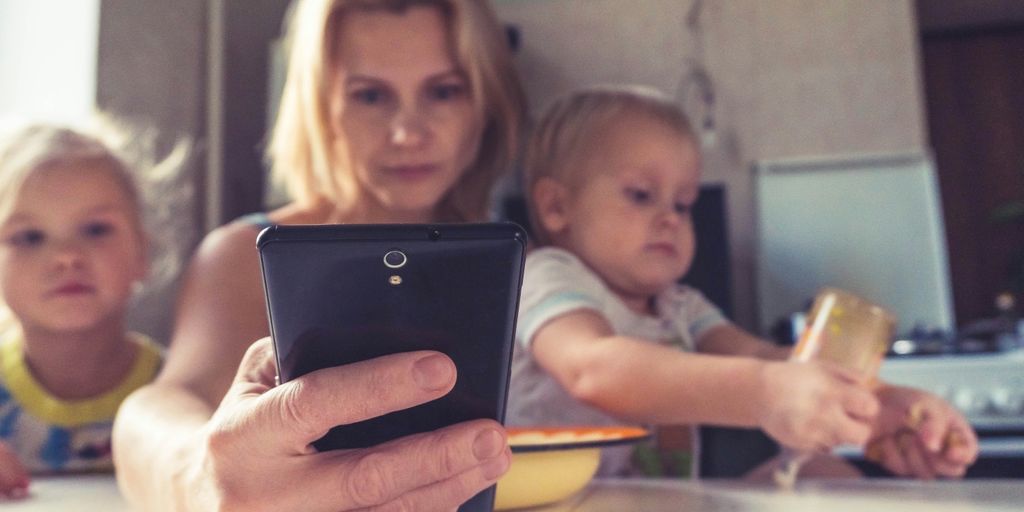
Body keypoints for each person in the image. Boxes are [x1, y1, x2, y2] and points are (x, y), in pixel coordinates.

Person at [111, 0, 526, 510]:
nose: (408, 133)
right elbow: (159, 406)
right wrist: (196, 475)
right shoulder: (246, 255)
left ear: (485, 101)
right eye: (370, 95)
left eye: (444, 91)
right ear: (320, 105)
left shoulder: (533, 262)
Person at [506, 85, 979, 480]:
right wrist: (765, 393)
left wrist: (876, 405)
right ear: (557, 207)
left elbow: (762, 358)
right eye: (641, 195)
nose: (670, 218)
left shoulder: (680, 306)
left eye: (683, 203)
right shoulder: (543, 274)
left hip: (659, 501)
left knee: (823, 472)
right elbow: (593, 369)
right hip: (559, 503)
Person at [0, 123, 168, 498]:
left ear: (142, 250)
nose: (67, 257)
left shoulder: (180, 389)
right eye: (29, 237)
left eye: (94, 230)